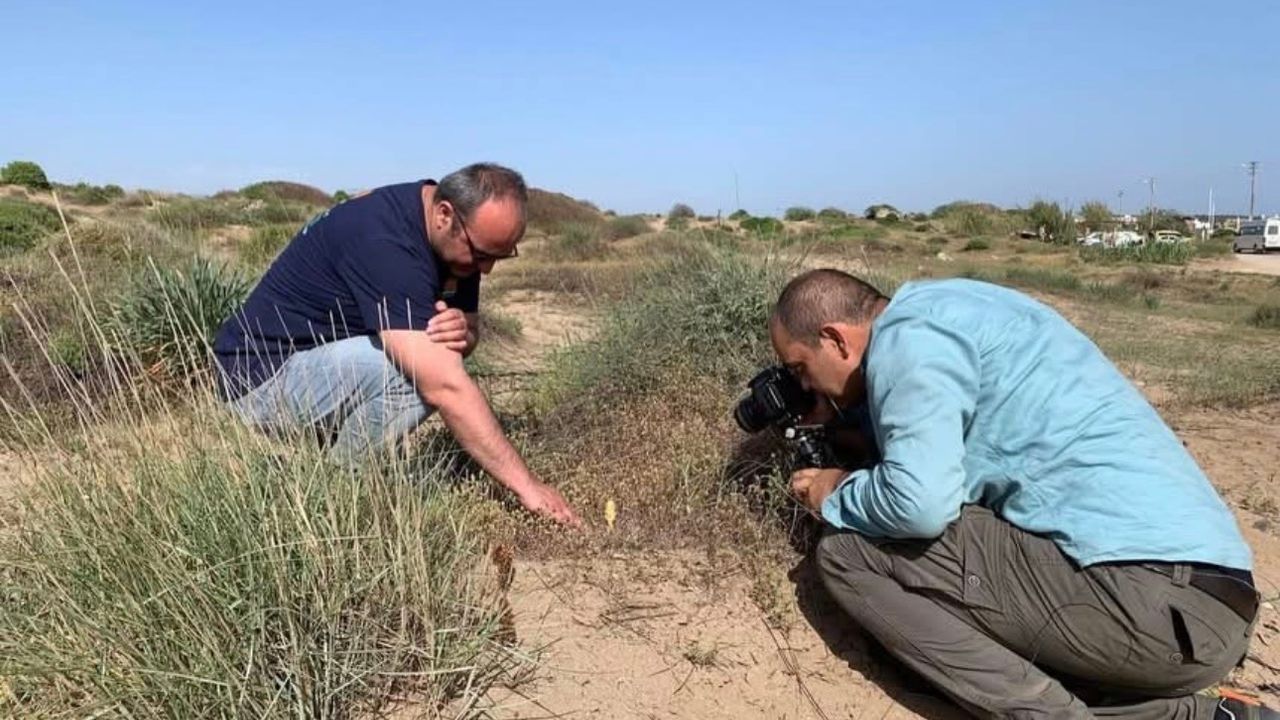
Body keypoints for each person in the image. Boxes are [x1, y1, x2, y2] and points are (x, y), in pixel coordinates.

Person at [769, 269, 1269, 719]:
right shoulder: (952, 308)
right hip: (1207, 608)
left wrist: (835, 489)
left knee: (849, 552)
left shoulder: (907, 339)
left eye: (800, 369)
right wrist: (845, 425)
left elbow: (919, 504)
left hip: (1152, 601)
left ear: (835, 339)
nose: (807, 386)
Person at [212, 162, 579, 526]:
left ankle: (331, 474)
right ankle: (339, 491)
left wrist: (462, 332)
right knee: (415, 374)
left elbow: (467, 333)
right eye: (482, 255)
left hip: (319, 365)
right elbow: (444, 386)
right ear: (444, 214)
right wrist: (527, 487)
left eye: (500, 256)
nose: (486, 270)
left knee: (429, 358)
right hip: (258, 379)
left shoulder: (458, 240)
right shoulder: (385, 241)